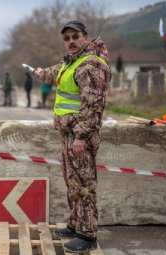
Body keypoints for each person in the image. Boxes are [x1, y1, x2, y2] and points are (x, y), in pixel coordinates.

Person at [34, 21, 111, 253]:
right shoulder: (72, 61)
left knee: (84, 184)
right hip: (69, 134)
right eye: (66, 38)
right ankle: (76, 224)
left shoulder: (91, 65)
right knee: (73, 182)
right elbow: (52, 73)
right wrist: (38, 73)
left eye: (75, 37)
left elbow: (94, 105)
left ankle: (87, 235)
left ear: (85, 37)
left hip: (81, 136)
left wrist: (81, 136)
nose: (71, 42)